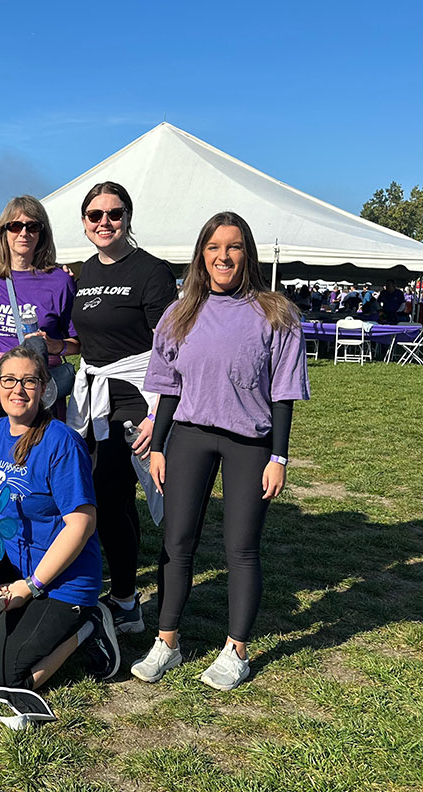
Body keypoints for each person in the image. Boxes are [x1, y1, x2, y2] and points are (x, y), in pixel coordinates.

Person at [133, 211, 309, 691]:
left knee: (241, 548)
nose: (223, 256)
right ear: (201, 255)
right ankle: (167, 642)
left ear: (246, 253)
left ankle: (237, 651)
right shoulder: (180, 312)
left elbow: (284, 392)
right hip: (189, 436)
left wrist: (280, 458)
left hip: (250, 443)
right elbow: (168, 387)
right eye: (214, 247)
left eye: (233, 247)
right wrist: (160, 446)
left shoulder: (275, 313)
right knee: (177, 541)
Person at [0, 345, 120, 691]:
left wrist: (29, 587)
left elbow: (81, 524)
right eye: (9, 380)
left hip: (63, 578)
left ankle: (86, 626)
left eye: (29, 381)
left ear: (44, 388)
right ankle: (15, 632)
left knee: (0, 679)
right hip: (13, 560)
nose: (17, 389)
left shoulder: (62, 442)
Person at [64, 181, 177, 637]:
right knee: (104, 497)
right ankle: (120, 592)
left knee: (110, 498)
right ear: (85, 222)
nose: (104, 222)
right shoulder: (83, 273)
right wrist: (57, 345)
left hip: (136, 399)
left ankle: (128, 600)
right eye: (95, 215)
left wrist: (157, 416)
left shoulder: (152, 271)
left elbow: (172, 348)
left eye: (114, 214)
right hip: (93, 397)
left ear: (128, 217)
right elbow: (89, 340)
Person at [0, 195, 78, 446]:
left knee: (41, 461)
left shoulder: (60, 281)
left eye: (33, 226)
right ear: (3, 232)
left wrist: (55, 346)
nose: (24, 233)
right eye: (15, 226)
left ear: (42, 233)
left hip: (39, 388)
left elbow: (78, 343)